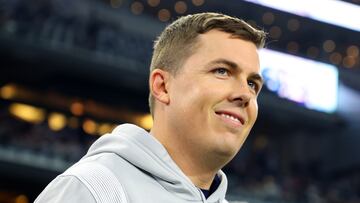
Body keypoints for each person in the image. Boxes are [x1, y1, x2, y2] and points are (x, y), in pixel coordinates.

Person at [35, 12, 266, 203]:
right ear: (163, 86)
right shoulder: (93, 190)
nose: (245, 94)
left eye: (252, 84)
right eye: (222, 71)